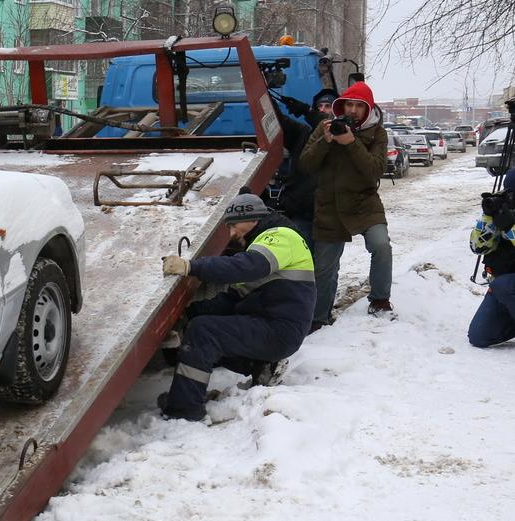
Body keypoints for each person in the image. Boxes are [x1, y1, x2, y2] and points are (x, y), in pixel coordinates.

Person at [156, 192, 315, 421]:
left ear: (252, 218)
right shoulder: (261, 245)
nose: (231, 233)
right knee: (196, 329)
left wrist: (191, 267)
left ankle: (184, 410)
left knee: (203, 332)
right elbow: (232, 300)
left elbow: (246, 266)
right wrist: (184, 318)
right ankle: (260, 367)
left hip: (278, 330)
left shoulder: (281, 236)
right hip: (271, 326)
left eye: (233, 225)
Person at [297, 82, 392, 330]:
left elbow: (375, 170)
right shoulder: (324, 127)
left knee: (381, 245)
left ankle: (380, 300)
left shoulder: (377, 133)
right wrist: (325, 141)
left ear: (368, 108)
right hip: (329, 205)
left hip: (365, 202)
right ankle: (318, 319)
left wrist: (351, 142)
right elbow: (305, 165)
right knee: (324, 268)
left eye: (359, 106)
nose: (352, 110)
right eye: (348, 104)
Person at [273, 88, 339, 246]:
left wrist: (308, 111)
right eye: (319, 106)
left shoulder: (344, 138)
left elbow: (327, 124)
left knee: (325, 268)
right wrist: (267, 97)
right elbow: (277, 121)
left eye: (328, 106)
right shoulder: (302, 133)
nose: (322, 109)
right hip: (301, 213)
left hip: (330, 217)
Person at [469, 170, 515, 347]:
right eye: (509, 193)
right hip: (505, 288)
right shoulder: (504, 212)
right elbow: (477, 247)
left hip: (506, 286)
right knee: (479, 336)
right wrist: (489, 216)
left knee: (503, 285)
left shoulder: (509, 221)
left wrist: (510, 227)